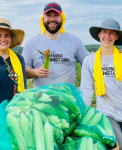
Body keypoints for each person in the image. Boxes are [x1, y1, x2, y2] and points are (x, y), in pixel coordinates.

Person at [22, 2, 89, 87]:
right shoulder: (31, 43)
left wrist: (83, 87)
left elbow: (89, 64)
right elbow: (24, 70)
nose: (52, 19)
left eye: (56, 15)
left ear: (62, 18)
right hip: (41, 98)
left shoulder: (74, 41)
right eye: (48, 15)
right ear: (43, 18)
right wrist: (36, 72)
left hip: (67, 98)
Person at [80, 18, 122, 149]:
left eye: (112, 33)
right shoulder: (89, 61)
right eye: (104, 32)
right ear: (99, 34)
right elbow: (87, 92)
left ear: (116, 36)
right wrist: (80, 116)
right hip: (107, 114)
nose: (107, 36)